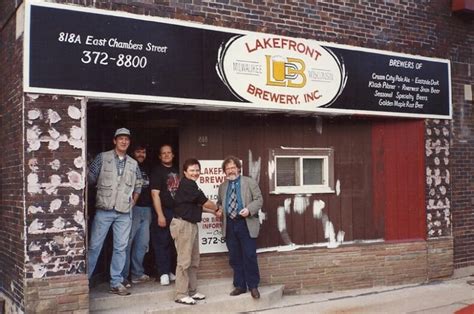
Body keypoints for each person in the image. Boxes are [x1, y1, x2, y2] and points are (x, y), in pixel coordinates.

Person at [87, 128, 142, 296]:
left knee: (121, 248)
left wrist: (133, 201)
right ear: (114, 141)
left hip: (124, 213)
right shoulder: (102, 158)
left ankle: (116, 282)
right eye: (121, 139)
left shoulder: (133, 163)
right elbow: (89, 178)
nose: (124, 141)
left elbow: (138, 184)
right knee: (95, 246)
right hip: (104, 210)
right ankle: (84, 281)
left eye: (126, 139)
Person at [170, 158, 222, 305]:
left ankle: (192, 291)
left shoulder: (192, 185)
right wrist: (217, 209)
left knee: (193, 260)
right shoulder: (187, 185)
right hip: (183, 225)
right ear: (185, 172)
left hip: (191, 224)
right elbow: (205, 201)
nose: (195, 173)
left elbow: (197, 206)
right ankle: (181, 294)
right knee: (184, 261)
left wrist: (212, 213)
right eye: (192, 170)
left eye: (197, 170)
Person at [217, 156, 263, 299]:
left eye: (233, 167)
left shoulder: (249, 182)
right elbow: (219, 203)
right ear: (225, 171)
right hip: (229, 225)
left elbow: (259, 199)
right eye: (227, 168)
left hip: (246, 223)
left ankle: (253, 286)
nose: (230, 170)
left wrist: (249, 210)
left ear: (238, 168)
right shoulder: (223, 186)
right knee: (235, 257)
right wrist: (218, 209)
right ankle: (240, 285)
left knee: (249, 255)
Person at [121, 144, 152, 287]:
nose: (141, 154)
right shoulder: (128, 166)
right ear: (133, 152)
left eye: (143, 151)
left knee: (142, 244)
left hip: (147, 210)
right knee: (127, 243)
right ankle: (122, 276)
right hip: (132, 209)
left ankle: (137, 274)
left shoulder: (150, 168)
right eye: (138, 151)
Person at [150, 144, 179, 285]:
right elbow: (155, 195)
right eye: (164, 153)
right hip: (162, 211)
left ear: (173, 155)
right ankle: (163, 273)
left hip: (176, 212)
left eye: (169, 152)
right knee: (162, 242)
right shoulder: (157, 172)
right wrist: (160, 215)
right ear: (160, 156)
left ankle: (171, 271)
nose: (167, 155)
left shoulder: (177, 170)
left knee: (174, 243)